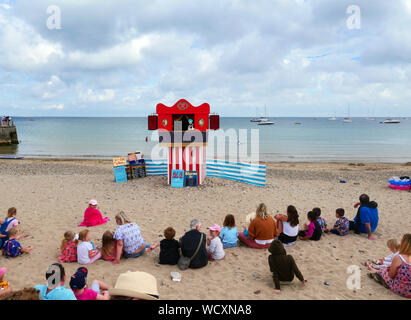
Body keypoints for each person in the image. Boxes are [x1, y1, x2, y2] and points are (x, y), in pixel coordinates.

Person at [368, 234, 411, 299]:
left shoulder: (399, 257)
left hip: (401, 289)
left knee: (385, 270)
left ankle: (376, 271)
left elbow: (391, 275)